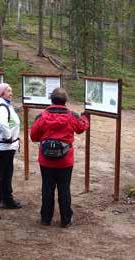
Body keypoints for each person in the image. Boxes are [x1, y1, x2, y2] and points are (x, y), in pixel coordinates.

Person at [30, 88, 89, 227]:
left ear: (51, 99)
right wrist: (85, 117)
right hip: (65, 161)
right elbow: (81, 128)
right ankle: (66, 219)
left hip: (46, 160)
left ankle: (46, 218)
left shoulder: (42, 116)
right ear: (65, 100)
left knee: (47, 188)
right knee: (64, 188)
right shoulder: (72, 115)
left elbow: (33, 136)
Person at [0, 82, 21, 209]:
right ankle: (7, 199)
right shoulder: (2, 106)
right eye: (8, 91)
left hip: (4, 143)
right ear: (1, 93)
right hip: (6, 144)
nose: (11, 93)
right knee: (6, 171)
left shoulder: (2, 103)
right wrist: (8, 137)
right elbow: (3, 123)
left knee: (1, 169)